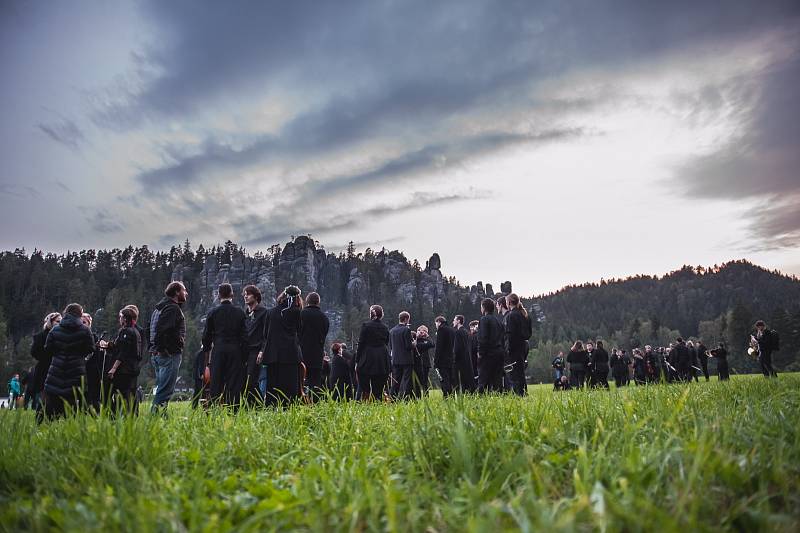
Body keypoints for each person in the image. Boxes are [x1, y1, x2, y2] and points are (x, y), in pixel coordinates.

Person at [43, 303, 95, 419]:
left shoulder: (55, 330)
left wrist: (58, 354)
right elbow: (91, 348)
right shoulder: (85, 330)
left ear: (66, 313)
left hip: (56, 369)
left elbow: (47, 348)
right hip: (76, 370)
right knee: (71, 403)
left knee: (53, 402)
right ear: (79, 314)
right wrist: (80, 354)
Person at [203, 283, 248, 408]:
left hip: (218, 349)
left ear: (218, 295)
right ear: (232, 294)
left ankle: (213, 410)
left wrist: (207, 351)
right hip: (235, 350)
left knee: (216, 382)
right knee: (234, 383)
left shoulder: (213, 313)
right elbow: (245, 337)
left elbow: (206, 335)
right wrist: (244, 356)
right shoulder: (239, 313)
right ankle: (233, 411)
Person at [258, 286, 304, 406]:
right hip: (290, 355)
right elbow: (300, 332)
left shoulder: (270, 312)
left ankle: (271, 410)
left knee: (273, 388)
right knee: (290, 389)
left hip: (273, 355)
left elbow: (265, 334)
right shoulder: (297, 312)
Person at [149, 281, 188, 414]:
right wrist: (165, 350)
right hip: (168, 355)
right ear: (177, 292)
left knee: (162, 388)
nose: (186, 293)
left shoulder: (158, 308)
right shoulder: (172, 308)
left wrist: (154, 348)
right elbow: (162, 330)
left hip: (157, 354)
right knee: (165, 391)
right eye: (184, 290)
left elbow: (151, 330)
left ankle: (161, 416)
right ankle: (155, 418)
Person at [100, 307, 143, 413]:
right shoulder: (135, 331)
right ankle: (130, 415)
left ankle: (124, 415)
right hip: (132, 368)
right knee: (130, 393)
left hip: (125, 369)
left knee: (124, 394)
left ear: (124, 318)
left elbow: (123, 353)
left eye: (120, 317)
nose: (119, 319)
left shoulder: (126, 332)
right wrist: (108, 345)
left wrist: (113, 368)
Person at [354, 305, 391, 401]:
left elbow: (361, 343)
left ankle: (365, 401)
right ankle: (377, 400)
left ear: (371, 314)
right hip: (382, 357)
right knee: (378, 387)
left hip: (368, 356)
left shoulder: (366, 326)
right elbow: (386, 342)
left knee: (364, 385)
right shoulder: (385, 327)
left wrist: (357, 360)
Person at [300, 292, 330, 398]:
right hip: (317, 354)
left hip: (302, 353)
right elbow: (324, 335)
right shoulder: (324, 318)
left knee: (301, 380)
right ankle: (315, 403)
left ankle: (302, 402)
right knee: (315, 382)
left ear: (307, 301)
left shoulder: (301, 314)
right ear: (318, 302)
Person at [31, 312, 61, 417]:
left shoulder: (61, 336)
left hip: (57, 370)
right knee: (43, 399)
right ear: (50, 322)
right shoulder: (40, 336)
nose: (60, 323)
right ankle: (39, 420)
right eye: (57, 321)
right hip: (44, 370)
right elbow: (34, 352)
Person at [243, 285, 268, 406]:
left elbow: (266, 335)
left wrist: (262, 351)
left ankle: (258, 406)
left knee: (252, 381)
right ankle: (250, 407)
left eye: (248, 294)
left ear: (256, 296)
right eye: (244, 294)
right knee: (245, 381)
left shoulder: (264, 313)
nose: (245, 296)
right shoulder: (245, 314)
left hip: (256, 351)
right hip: (245, 352)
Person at [503, 294, 531, 396]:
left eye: (506, 301)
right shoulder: (524, 315)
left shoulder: (511, 316)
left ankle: (517, 394)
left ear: (509, 302)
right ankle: (523, 393)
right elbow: (528, 333)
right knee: (521, 372)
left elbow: (510, 335)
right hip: (523, 346)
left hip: (513, 348)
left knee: (514, 374)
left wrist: (508, 349)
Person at [476, 298, 505, 393]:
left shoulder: (484, 320)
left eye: (481, 307)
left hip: (488, 354)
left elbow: (483, 338)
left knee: (483, 379)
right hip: (499, 353)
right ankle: (499, 399)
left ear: (484, 308)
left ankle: (481, 399)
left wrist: (480, 353)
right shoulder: (498, 321)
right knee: (497, 380)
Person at [389, 311, 414, 399]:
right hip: (406, 359)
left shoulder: (392, 331)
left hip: (395, 359)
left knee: (396, 380)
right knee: (406, 380)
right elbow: (408, 346)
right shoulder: (406, 330)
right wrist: (413, 344)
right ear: (406, 319)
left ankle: (392, 398)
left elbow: (391, 346)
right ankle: (405, 398)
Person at [452, 315, 475, 393]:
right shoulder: (466, 332)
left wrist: (454, 359)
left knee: (460, 381)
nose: (453, 321)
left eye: (454, 320)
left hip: (460, 361)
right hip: (467, 359)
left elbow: (457, 348)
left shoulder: (458, 332)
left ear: (458, 321)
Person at [434, 316, 455, 397]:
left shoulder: (441, 330)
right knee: (450, 380)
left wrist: (436, 361)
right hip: (451, 359)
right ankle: (452, 396)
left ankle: (446, 397)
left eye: (436, 323)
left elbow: (438, 347)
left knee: (444, 380)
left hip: (442, 361)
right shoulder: (452, 330)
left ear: (439, 322)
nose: (436, 325)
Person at [414, 325, 435, 395]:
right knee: (417, 382)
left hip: (425, 363)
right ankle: (417, 396)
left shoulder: (426, 340)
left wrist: (427, 336)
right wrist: (417, 336)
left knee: (425, 382)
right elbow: (417, 345)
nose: (423, 333)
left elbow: (432, 344)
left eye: (425, 332)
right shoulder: (416, 340)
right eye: (422, 331)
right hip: (417, 363)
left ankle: (426, 396)